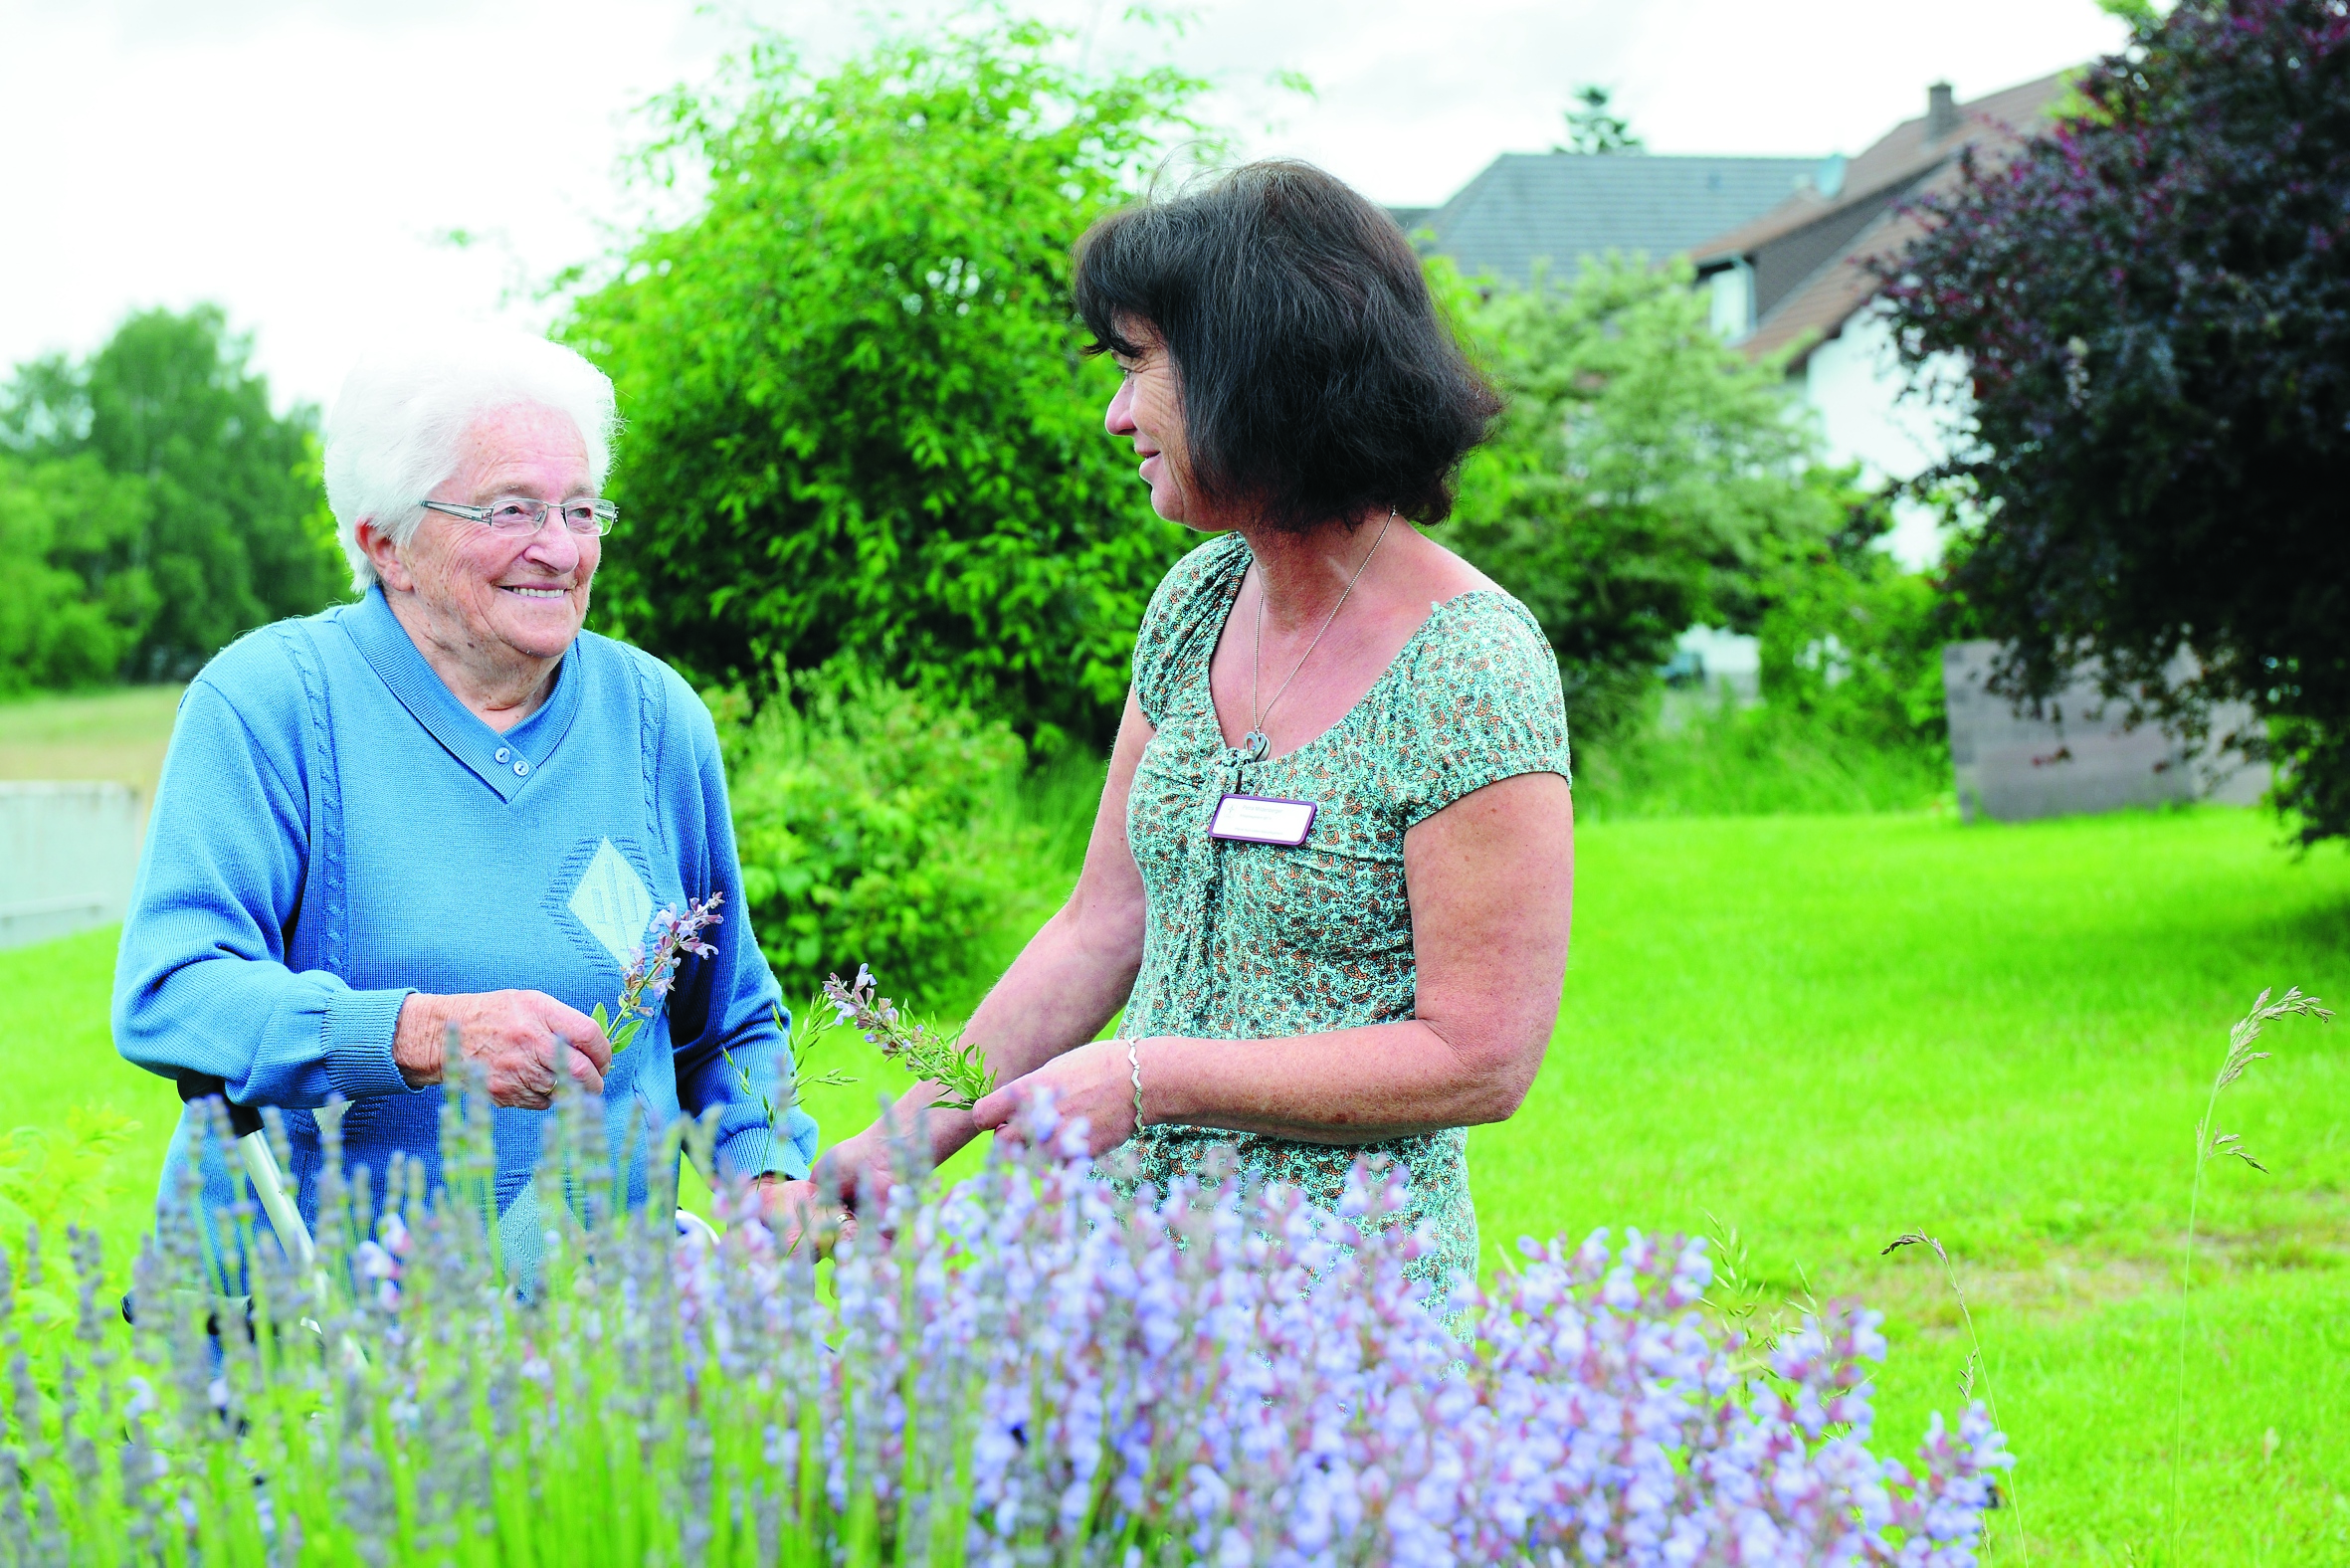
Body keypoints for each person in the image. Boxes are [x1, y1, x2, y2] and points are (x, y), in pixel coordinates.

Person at [817, 162, 1574, 1292]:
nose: (1116, 413)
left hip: (1337, 1306)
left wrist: (1148, 1075)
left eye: (1138, 364)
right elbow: (1097, 928)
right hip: (1126, 1280)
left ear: (1256, 363)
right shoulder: (1194, 604)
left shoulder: (1470, 665)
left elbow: (1478, 1058)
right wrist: (910, 1130)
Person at [112, 327, 820, 1273]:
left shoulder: (653, 719)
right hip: (312, 1334)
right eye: (512, 510)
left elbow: (723, 1019)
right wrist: (419, 1034)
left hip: (595, 1342)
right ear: (388, 545)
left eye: (580, 509)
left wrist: (769, 1179)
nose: (560, 549)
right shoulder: (271, 705)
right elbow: (171, 990)